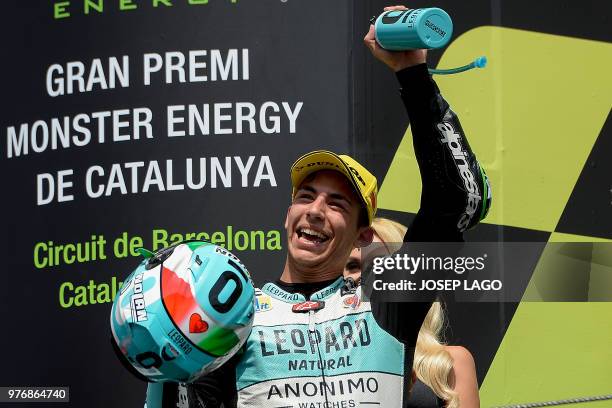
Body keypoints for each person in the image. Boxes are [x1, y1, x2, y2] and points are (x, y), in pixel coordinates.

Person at [146, 5, 491, 407]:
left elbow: (458, 200)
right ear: (288, 216)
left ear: (364, 235)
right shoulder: (236, 323)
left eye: (337, 203)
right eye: (306, 197)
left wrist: (412, 75)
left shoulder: (388, 304)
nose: (315, 210)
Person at [344, 217, 480, 408]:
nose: (362, 275)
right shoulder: (320, 358)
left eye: (378, 264)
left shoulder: (450, 363)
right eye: (352, 266)